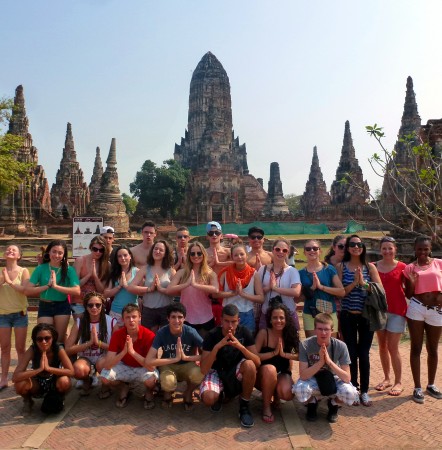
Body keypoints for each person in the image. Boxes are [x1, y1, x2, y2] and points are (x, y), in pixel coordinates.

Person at [337, 235, 382, 406]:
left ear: (363, 247)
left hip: (365, 316)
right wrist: (354, 283)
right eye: (353, 244)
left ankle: (364, 390)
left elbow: (379, 290)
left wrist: (363, 283)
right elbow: (340, 291)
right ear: (348, 248)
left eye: (359, 244)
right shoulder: (341, 267)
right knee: (351, 353)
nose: (356, 247)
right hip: (348, 314)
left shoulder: (370, 267)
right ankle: (353, 387)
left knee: (363, 353)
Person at [200, 304, 261, 428]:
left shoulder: (244, 332)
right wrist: (217, 347)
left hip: (236, 372)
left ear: (238, 321)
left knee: (250, 365)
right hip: (217, 372)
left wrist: (240, 347)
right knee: (209, 398)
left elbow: (257, 362)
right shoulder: (212, 335)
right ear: (221, 320)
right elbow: (204, 369)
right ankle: (222, 395)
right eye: (227, 321)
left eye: (233, 322)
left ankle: (244, 406)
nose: (230, 325)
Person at [293, 313, 358, 423]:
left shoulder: (341, 346)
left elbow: (347, 378)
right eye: (320, 329)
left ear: (332, 330)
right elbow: (303, 375)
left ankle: (333, 404)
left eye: (326, 329)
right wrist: (320, 362)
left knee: (351, 393)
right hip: (312, 377)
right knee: (299, 389)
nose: (323, 333)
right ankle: (312, 403)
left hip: (333, 377)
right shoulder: (305, 345)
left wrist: (329, 362)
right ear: (314, 329)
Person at [404, 235, 442, 403]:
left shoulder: (439, 263)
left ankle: (431, 384)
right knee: (416, 347)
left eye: (425, 249)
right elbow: (408, 294)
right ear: (415, 249)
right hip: (417, 307)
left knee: (433, 348)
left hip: (436, 309)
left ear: (430, 249)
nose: (422, 252)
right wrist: (411, 282)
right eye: (419, 249)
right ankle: (417, 387)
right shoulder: (410, 268)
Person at [144, 302, 204, 410]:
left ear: (184, 318)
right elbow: (149, 360)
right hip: (168, 365)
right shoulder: (162, 332)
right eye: (173, 317)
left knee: (199, 374)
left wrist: (186, 357)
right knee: (168, 382)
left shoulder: (191, 332)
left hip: (187, 364)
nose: (177, 321)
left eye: (180, 317)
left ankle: (188, 392)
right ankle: (168, 393)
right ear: (168, 318)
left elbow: (208, 355)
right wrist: (174, 359)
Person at [99, 303, 158, 408]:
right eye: (127, 317)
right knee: (104, 377)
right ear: (123, 319)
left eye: (134, 317)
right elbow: (108, 365)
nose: (131, 320)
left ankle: (149, 391)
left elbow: (151, 367)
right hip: (125, 365)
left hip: (142, 367)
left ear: (140, 318)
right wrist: (123, 352)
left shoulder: (150, 336)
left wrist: (132, 352)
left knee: (151, 381)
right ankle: (123, 387)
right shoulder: (117, 335)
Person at [25, 240, 80, 343]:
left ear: (64, 255)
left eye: (60, 253)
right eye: (54, 252)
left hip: (62, 306)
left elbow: (77, 290)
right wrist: (47, 286)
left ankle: (58, 359)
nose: (57, 255)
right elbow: (28, 290)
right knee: (44, 338)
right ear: (49, 252)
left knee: (59, 340)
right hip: (45, 305)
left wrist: (55, 286)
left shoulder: (69, 269)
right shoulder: (41, 268)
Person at [12, 323, 74, 414]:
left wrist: (49, 369)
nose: (43, 342)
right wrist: (39, 370)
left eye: (47, 338)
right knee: (20, 384)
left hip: (54, 380)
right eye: (39, 339)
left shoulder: (58, 348)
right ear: (35, 340)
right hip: (38, 383)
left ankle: (59, 398)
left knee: (65, 381)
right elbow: (15, 377)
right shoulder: (32, 350)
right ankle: (27, 400)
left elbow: (71, 371)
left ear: (53, 338)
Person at [373, 236, 407, 396]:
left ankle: (398, 381)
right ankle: (386, 378)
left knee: (393, 347)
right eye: (384, 248)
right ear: (380, 250)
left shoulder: (402, 267)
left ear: (395, 250)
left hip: (397, 311)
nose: (387, 251)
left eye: (390, 248)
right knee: (382, 346)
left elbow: (410, 288)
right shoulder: (373, 267)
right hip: (379, 312)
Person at [255, 303, 298, 423]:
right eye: (275, 317)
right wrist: (274, 353)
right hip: (264, 375)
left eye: (281, 317)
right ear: (270, 319)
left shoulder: (290, 333)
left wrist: (284, 355)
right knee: (270, 369)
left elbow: (301, 355)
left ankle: (277, 396)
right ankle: (266, 407)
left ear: (286, 319)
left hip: (282, 373)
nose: (278, 321)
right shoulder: (264, 333)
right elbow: (254, 356)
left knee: (288, 393)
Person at [65, 292, 115, 396]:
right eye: (90, 305)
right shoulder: (80, 322)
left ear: (102, 305)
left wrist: (98, 343)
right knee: (78, 370)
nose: (94, 308)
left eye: (98, 305)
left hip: (103, 356)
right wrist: (89, 344)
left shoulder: (111, 322)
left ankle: (105, 387)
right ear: (85, 306)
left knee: (103, 365)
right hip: (86, 357)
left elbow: (117, 348)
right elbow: (68, 349)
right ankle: (88, 381)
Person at [166, 242, 218, 338]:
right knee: (188, 350)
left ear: (203, 255)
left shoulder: (210, 273)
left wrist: (195, 285)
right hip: (186, 317)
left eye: (199, 253)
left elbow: (215, 289)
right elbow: (169, 289)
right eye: (192, 253)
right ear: (189, 255)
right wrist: (186, 284)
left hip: (205, 317)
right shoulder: (182, 273)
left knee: (205, 348)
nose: (196, 256)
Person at [126, 240, 175, 333]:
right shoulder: (145, 268)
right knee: (149, 340)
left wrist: (162, 289)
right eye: (155, 249)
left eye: (161, 250)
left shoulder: (171, 271)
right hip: (148, 310)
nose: (157, 251)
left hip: (166, 309)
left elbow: (176, 291)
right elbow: (131, 287)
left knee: (166, 339)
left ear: (165, 253)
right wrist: (149, 289)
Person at [299, 240, 345, 338]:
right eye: (308, 249)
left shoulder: (329, 269)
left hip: (328, 313)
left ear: (320, 251)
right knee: (313, 347)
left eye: (315, 248)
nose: (312, 251)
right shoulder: (300, 273)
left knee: (331, 346)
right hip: (310, 313)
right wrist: (311, 289)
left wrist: (321, 287)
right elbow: (297, 299)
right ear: (304, 252)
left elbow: (341, 292)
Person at [215, 243, 264, 334]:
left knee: (246, 343)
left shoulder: (254, 273)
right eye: (236, 255)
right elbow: (216, 294)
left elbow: (261, 298)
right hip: (228, 314)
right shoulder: (225, 272)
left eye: (242, 254)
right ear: (232, 257)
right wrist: (233, 293)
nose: (239, 257)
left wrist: (243, 294)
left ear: (247, 255)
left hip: (246, 314)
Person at [0, 245, 30, 390]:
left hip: (20, 314)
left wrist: (9, 282)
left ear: (19, 255)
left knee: (20, 348)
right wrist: (2, 279)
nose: (10, 251)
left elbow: (25, 290)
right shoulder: (1, 272)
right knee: (4, 348)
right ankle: (4, 378)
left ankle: (20, 376)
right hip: (3, 314)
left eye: (14, 250)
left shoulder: (23, 271)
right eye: (8, 249)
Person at [257, 238, 301, 331]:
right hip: (267, 313)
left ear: (288, 252)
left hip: (287, 314)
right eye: (278, 249)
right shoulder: (263, 270)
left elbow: (296, 291)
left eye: (284, 250)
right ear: (273, 250)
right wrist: (269, 287)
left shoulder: (292, 271)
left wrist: (275, 288)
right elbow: (257, 292)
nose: (281, 252)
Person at [72, 236, 110, 319]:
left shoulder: (106, 265)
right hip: (79, 301)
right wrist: (89, 275)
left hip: (96, 303)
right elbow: (75, 285)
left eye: (101, 250)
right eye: (95, 249)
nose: (98, 252)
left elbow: (102, 290)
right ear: (90, 248)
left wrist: (95, 277)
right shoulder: (80, 261)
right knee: (80, 328)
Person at [104, 245, 139, 329]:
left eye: (125, 255)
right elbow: (106, 294)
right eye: (119, 256)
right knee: (116, 339)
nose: (123, 258)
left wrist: (127, 286)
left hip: (132, 313)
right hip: (116, 311)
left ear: (130, 256)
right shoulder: (113, 273)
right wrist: (119, 286)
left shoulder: (137, 272)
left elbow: (142, 292)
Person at [205, 221, 233, 326]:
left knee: (225, 321)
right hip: (208, 289)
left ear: (221, 236)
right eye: (211, 233)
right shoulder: (202, 253)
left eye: (217, 233)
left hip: (225, 289)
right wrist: (211, 264)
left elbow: (240, 263)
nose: (214, 235)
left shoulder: (228, 252)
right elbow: (196, 269)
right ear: (207, 236)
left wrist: (220, 263)